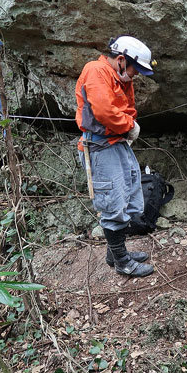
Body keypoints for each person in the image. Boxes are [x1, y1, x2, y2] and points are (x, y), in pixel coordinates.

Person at [75, 35, 156, 277]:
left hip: (116, 144)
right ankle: (122, 261)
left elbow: (127, 109)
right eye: (135, 69)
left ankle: (115, 253)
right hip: (100, 149)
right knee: (112, 203)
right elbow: (104, 111)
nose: (136, 75)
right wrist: (128, 125)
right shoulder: (96, 70)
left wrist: (128, 124)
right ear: (121, 60)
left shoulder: (120, 79)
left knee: (129, 198)